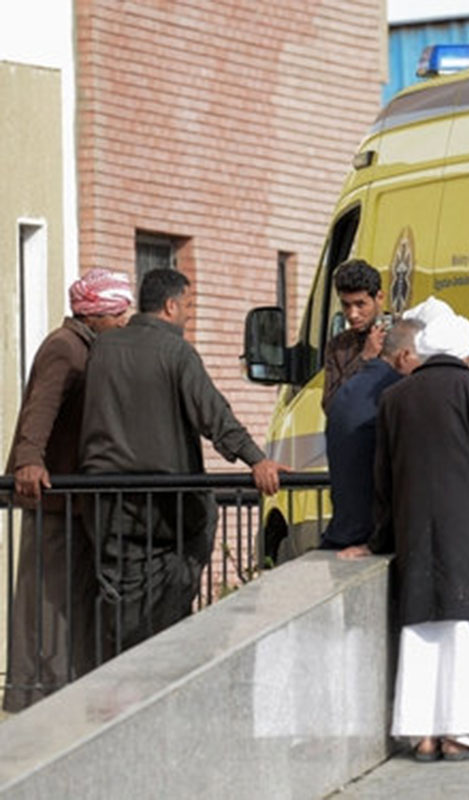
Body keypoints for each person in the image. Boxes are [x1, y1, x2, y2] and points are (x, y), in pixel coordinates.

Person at [341, 313, 469, 761]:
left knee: (426, 636)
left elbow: (383, 479)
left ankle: (423, 734)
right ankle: (461, 735)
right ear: (464, 354)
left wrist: (380, 538)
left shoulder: (394, 397)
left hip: (416, 533)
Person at [79, 268, 284, 658]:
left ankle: (118, 686)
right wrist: (257, 459)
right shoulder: (177, 352)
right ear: (171, 306)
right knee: (178, 575)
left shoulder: (101, 348)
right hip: (166, 508)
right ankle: (160, 668)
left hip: (105, 502)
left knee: (121, 603)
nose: (189, 315)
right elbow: (214, 416)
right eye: (188, 306)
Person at [3, 269, 133, 711]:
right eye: (117, 313)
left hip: (72, 501)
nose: (124, 320)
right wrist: (28, 462)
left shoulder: (87, 346)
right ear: (94, 314)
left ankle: (65, 690)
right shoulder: (65, 348)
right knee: (45, 601)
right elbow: (41, 409)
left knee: (68, 601)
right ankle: (36, 696)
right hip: (52, 500)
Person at [319, 318, 423, 550]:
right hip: (375, 539)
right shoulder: (396, 394)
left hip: (343, 532)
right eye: (422, 360)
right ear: (404, 356)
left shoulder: (348, 389)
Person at [322, 258, 387, 411]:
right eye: (346, 305)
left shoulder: (403, 334)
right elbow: (331, 406)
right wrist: (364, 359)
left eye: (360, 304)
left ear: (379, 298)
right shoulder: (338, 346)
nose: (353, 314)